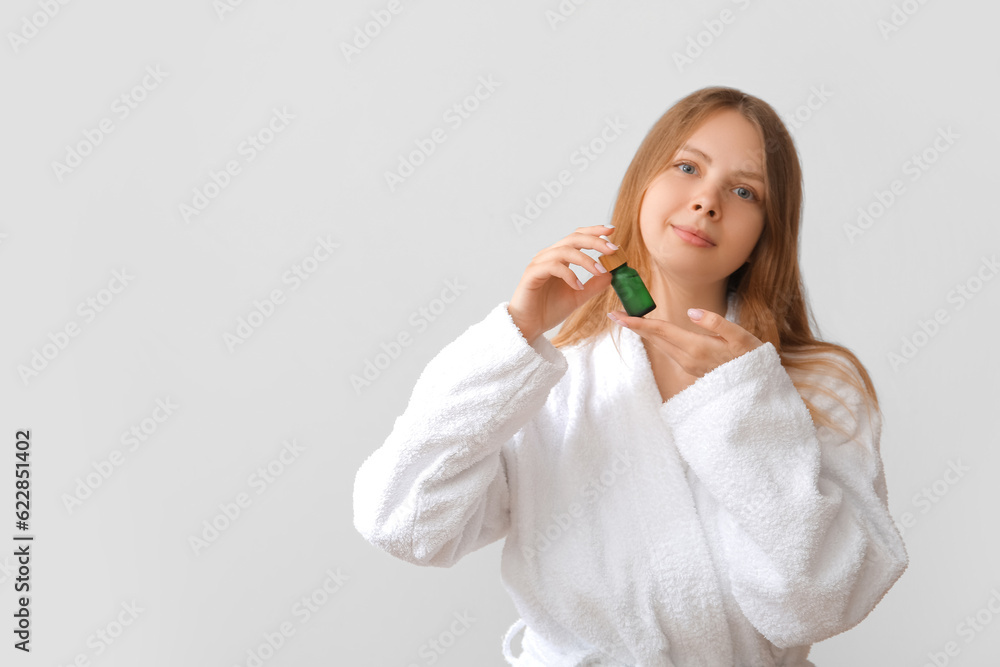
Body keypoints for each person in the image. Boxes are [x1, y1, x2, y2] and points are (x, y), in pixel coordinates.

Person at [353, 86, 909, 666]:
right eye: (687, 167)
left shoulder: (816, 384)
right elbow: (406, 522)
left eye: (744, 191)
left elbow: (822, 602)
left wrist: (742, 408)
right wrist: (517, 333)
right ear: (643, 181)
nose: (707, 201)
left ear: (765, 234)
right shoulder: (549, 374)